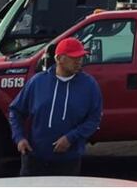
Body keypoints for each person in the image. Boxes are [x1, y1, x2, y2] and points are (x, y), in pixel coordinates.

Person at [8, 37, 103, 177]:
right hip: (34, 159)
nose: (79, 61)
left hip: (68, 162)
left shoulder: (89, 85)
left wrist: (71, 138)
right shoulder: (37, 82)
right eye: (74, 58)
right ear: (59, 59)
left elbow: (94, 119)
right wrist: (19, 138)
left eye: (81, 57)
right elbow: (15, 111)